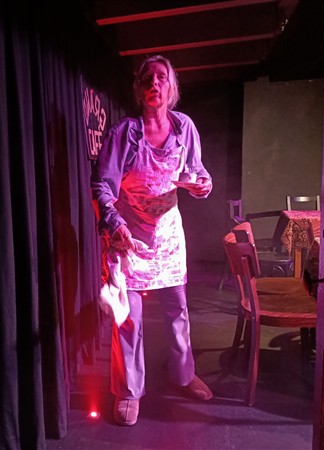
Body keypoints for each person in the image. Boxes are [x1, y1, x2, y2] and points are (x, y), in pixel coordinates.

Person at [90, 54, 213, 427]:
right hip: (130, 237)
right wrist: (114, 223)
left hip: (168, 235)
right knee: (129, 319)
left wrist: (202, 184)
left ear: (171, 86)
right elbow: (102, 186)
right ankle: (129, 391)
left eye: (161, 77)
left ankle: (183, 375)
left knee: (178, 311)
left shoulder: (184, 127)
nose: (154, 83)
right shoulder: (123, 133)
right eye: (147, 77)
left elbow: (196, 171)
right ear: (138, 88)